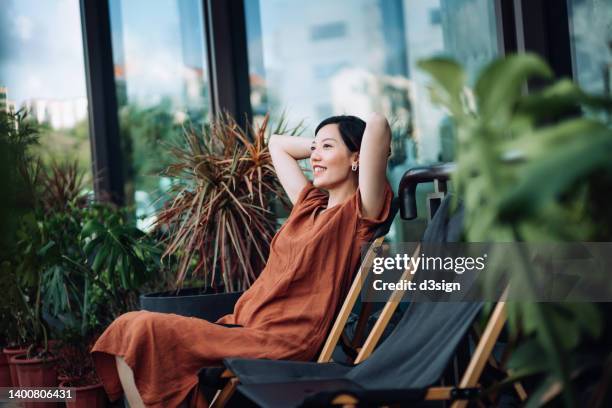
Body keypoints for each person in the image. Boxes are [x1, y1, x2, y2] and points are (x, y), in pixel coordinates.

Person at [91, 113, 394, 407]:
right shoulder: (308, 206)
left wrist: (345, 145)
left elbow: (378, 123)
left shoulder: (359, 214)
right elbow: (276, 143)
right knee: (126, 328)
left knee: (141, 329)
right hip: (244, 326)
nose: (314, 156)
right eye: (313, 148)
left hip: (283, 340)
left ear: (358, 157)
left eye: (327, 147)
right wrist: (321, 145)